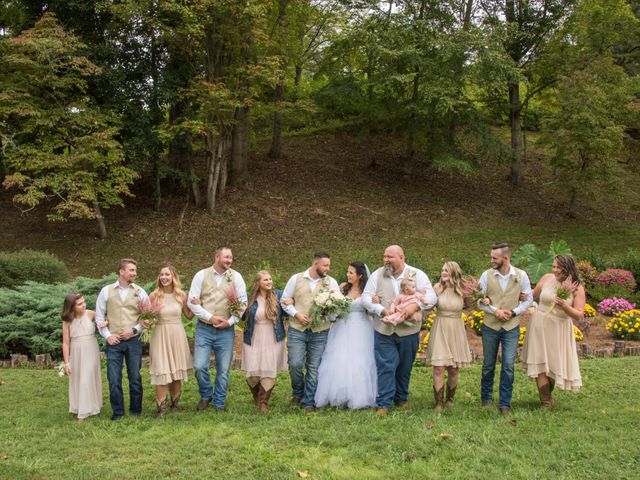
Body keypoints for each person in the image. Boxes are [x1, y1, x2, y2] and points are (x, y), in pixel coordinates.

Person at [362, 245, 437, 415]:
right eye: (384, 256)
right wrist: (381, 310)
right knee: (385, 365)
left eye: (390, 257)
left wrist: (415, 306)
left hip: (409, 332)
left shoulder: (417, 275)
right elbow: (366, 298)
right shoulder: (377, 275)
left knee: (405, 366)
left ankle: (401, 398)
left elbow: (431, 297)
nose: (386, 260)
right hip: (384, 329)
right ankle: (384, 403)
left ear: (402, 258)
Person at [188, 246, 247, 412]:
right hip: (204, 328)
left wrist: (229, 322)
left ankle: (219, 402)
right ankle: (206, 394)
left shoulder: (236, 277)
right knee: (199, 366)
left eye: (231, 258)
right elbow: (191, 302)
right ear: (216, 257)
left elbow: (242, 303)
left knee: (224, 369)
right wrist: (210, 317)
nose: (229, 260)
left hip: (226, 331)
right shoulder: (201, 275)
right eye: (226, 257)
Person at [280, 251, 340, 412]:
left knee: (314, 367)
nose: (328, 268)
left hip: (320, 331)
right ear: (315, 264)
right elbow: (284, 301)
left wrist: (327, 313)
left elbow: (337, 308)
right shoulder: (296, 278)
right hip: (297, 330)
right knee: (295, 364)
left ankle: (309, 401)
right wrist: (296, 314)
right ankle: (297, 393)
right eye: (325, 265)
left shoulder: (331, 283)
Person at [477, 243, 532, 416]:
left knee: (508, 365)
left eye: (495, 258)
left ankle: (505, 403)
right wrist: (495, 311)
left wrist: (514, 312)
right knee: (488, 365)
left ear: (505, 258)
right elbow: (478, 301)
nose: (491, 260)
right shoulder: (486, 275)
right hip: (490, 326)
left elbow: (528, 299)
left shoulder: (521, 276)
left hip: (511, 327)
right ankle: (486, 399)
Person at [522, 255, 584, 407]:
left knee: (554, 364)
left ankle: (548, 397)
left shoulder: (577, 288)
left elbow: (579, 314)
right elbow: (532, 296)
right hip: (539, 324)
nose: (555, 270)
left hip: (559, 329)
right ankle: (546, 401)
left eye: (558, 268)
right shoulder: (546, 278)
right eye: (554, 266)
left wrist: (564, 305)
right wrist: (515, 293)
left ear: (567, 269)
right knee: (539, 361)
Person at [315, 262, 377, 409]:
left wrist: (375, 303)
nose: (348, 275)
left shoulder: (367, 291)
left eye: (351, 273)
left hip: (362, 328)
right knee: (339, 359)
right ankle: (337, 394)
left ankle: (359, 396)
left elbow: (370, 311)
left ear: (360, 276)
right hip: (341, 327)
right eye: (347, 272)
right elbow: (335, 306)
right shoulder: (342, 288)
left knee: (360, 360)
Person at [96, 258, 149, 421]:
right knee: (114, 379)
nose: (135, 273)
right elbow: (99, 318)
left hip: (133, 341)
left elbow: (147, 319)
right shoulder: (106, 291)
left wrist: (134, 330)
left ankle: (135, 411)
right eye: (131, 270)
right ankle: (118, 412)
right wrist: (108, 336)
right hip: (114, 343)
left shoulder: (140, 292)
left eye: (135, 270)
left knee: (135, 377)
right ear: (121, 272)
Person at [426, 262, 474, 412]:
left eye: (446, 270)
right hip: (440, 327)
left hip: (456, 328)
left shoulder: (462, 289)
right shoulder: (437, 288)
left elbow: (469, 306)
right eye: (442, 270)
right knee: (439, 367)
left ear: (453, 272)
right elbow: (428, 307)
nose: (443, 272)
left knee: (453, 369)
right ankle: (438, 402)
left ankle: (450, 399)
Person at [148, 265, 194, 418]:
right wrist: (147, 320)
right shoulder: (154, 296)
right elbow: (148, 316)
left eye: (167, 274)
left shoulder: (181, 295)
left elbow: (188, 315)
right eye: (161, 274)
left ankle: (175, 405)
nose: (164, 277)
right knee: (162, 369)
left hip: (177, 333)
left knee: (176, 370)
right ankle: (160, 409)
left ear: (174, 276)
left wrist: (197, 304)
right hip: (160, 333)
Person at [240, 270, 288, 413]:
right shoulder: (249, 299)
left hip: (273, 336)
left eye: (270, 279)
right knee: (252, 372)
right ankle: (256, 396)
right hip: (253, 336)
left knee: (269, 369)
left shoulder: (278, 295)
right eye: (265, 280)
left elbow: (286, 312)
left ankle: (263, 402)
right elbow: (241, 317)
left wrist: (291, 301)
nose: (269, 282)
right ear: (258, 283)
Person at [61, 293, 102, 421]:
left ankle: (84, 413)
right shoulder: (67, 320)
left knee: (87, 377)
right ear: (71, 307)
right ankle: (79, 406)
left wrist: (105, 322)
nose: (83, 305)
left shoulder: (90, 314)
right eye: (79, 304)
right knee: (78, 378)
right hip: (76, 350)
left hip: (91, 348)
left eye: (84, 302)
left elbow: (106, 319)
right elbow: (66, 342)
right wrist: (67, 363)